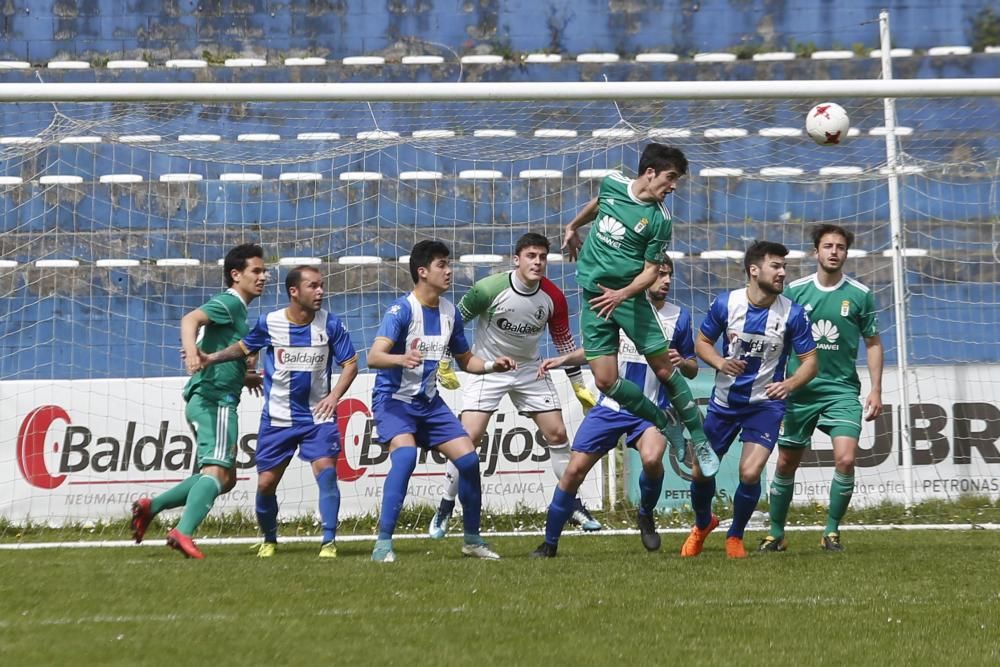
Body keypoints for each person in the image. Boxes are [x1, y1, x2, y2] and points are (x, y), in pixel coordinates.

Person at [428, 232, 601, 538]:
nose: (537, 262)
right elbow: (454, 323)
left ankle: (571, 504)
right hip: (488, 368)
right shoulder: (488, 289)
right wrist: (445, 360)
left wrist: (577, 384)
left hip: (530, 370)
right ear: (516, 259)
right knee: (467, 440)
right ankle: (444, 508)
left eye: (543, 257)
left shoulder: (554, 297)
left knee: (558, 433)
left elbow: (564, 342)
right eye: (531, 256)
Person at [562, 143, 719, 478]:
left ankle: (700, 439)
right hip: (594, 298)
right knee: (605, 381)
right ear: (650, 173)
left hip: (628, 299)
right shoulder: (613, 183)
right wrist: (573, 226)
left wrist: (622, 294)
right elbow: (598, 204)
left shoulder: (660, 220)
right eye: (671, 177)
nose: (674, 186)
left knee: (663, 368)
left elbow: (651, 271)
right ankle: (664, 422)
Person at [531, 255, 698, 557]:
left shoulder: (679, 318)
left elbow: (692, 368)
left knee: (652, 458)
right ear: (644, 277)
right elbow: (598, 351)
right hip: (610, 408)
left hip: (651, 411)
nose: (666, 280)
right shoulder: (618, 308)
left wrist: (683, 362)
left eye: (669, 275)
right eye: (659, 274)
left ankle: (645, 514)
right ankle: (550, 543)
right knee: (573, 471)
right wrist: (564, 359)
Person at [367, 240, 516, 562]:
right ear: (422, 272)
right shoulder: (401, 310)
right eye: (442, 265)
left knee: (469, 462)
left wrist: (492, 365)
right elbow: (374, 357)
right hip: (394, 401)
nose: (449, 271)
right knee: (404, 458)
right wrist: (400, 359)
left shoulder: (450, 311)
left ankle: (472, 540)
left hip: (430, 404)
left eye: (449, 264)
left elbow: (466, 361)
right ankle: (383, 544)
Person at [197, 265, 359, 558]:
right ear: (293, 292)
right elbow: (243, 347)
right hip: (277, 418)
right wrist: (211, 358)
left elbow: (350, 364)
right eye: (313, 286)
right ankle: (269, 539)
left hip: (317, 416)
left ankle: (329, 541)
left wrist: (335, 396)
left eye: (321, 285)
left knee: (327, 472)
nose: (320, 291)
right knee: (266, 483)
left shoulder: (331, 325)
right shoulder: (270, 323)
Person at [130, 242, 267, 559]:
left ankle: (153, 507)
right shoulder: (230, 303)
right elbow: (191, 320)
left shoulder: (239, 312)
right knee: (217, 473)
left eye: (264, 271)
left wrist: (243, 376)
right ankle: (182, 531)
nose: (263, 277)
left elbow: (216, 348)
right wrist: (192, 354)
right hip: (214, 400)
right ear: (236, 275)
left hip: (214, 397)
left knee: (226, 478)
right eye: (256, 271)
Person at [682, 240, 818, 559]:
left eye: (784, 266)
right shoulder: (725, 305)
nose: (783, 272)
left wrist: (791, 383)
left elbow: (811, 361)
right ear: (753, 270)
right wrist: (719, 362)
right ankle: (703, 524)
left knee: (750, 473)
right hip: (724, 404)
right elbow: (702, 343)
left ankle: (735, 536)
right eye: (776, 266)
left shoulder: (792, 314)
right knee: (701, 471)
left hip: (765, 406)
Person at [760, 225, 883, 553]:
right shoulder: (795, 293)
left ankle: (831, 532)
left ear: (846, 253)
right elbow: (777, 339)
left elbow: (872, 343)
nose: (834, 252)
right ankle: (776, 533)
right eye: (827, 246)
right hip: (798, 391)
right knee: (786, 463)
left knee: (845, 459)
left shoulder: (859, 294)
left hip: (841, 391)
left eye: (840, 247)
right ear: (816, 251)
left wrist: (876, 390)